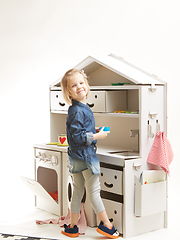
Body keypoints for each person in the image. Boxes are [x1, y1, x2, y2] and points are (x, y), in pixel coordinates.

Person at [60, 69, 119, 239]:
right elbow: (79, 137)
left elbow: (78, 131)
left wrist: (94, 130)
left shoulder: (79, 108)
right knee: (94, 191)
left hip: (76, 157)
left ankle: (72, 227)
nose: (79, 86)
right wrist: (96, 136)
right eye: (73, 85)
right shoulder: (78, 110)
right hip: (85, 157)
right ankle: (107, 225)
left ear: (86, 85)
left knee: (78, 190)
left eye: (81, 83)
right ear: (69, 92)